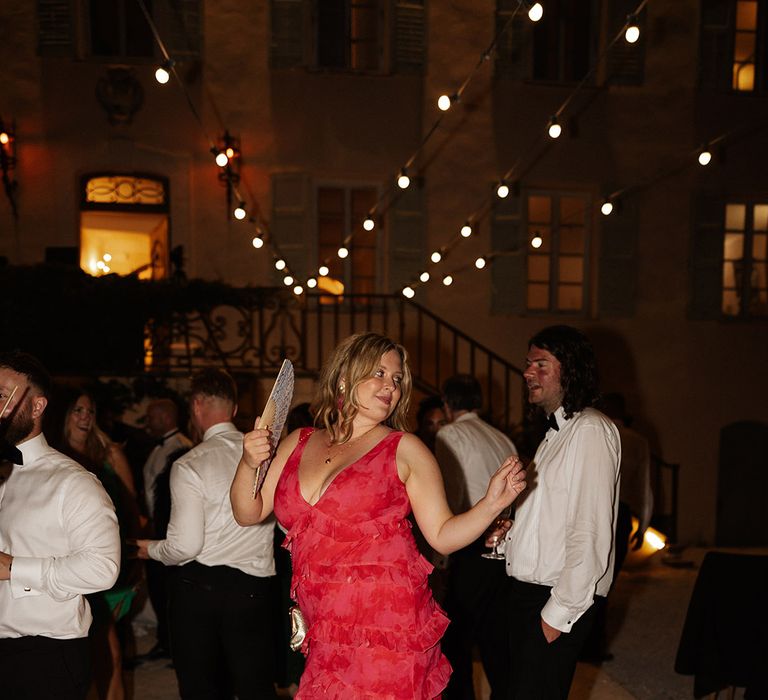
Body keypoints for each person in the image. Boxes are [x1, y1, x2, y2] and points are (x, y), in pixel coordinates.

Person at [230, 332, 526, 699]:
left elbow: (442, 534)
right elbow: (248, 511)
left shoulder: (405, 449)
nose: (391, 386)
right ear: (344, 377)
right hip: (324, 623)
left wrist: (491, 504)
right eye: (379, 374)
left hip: (387, 624)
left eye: (397, 379)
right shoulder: (298, 441)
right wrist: (248, 463)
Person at [135, 368, 277, 700]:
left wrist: (148, 550)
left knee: (202, 688)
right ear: (235, 410)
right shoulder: (267, 458)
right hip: (253, 588)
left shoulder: (190, 464)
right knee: (256, 686)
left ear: (196, 406)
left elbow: (185, 546)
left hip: (200, 590)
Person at [498, 325, 621, 699]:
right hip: (528, 594)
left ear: (570, 369)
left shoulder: (590, 430)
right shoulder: (554, 434)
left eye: (541, 364)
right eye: (527, 364)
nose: (527, 373)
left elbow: (590, 531)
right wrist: (508, 538)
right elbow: (550, 518)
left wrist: (557, 615)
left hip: (555, 597)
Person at [0, 351, 121, 700]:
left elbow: (102, 569)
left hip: (44, 655)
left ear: (37, 407)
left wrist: (14, 569)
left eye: (3, 395)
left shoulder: (73, 481)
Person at [436, 374, 519, 699]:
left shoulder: (451, 433)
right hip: (501, 545)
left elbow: (451, 496)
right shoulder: (502, 438)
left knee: (456, 640)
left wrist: (440, 556)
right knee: (495, 637)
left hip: (468, 544)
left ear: (447, 403)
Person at [60, 391, 142, 700]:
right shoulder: (54, 455)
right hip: (68, 564)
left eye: (90, 411)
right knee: (88, 653)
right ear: (64, 415)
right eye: (77, 410)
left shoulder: (110, 454)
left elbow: (133, 511)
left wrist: (137, 560)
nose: (84, 416)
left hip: (109, 561)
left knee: (110, 652)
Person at [580, 392, 653, 663]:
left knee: (584, 573)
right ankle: (595, 644)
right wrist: (643, 524)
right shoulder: (638, 442)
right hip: (620, 513)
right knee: (605, 581)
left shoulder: (592, 432)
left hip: (590, 508)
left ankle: (582, 640)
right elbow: (644, 486)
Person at [139, 398, 193, 661]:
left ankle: (174, 644)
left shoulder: (182, 449)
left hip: (170, 530)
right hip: (153, 527)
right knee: (158, 587)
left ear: (165, 418)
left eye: (150, 417)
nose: (146, 422)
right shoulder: (156, 448)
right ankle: (164, 639)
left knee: (169, 589)